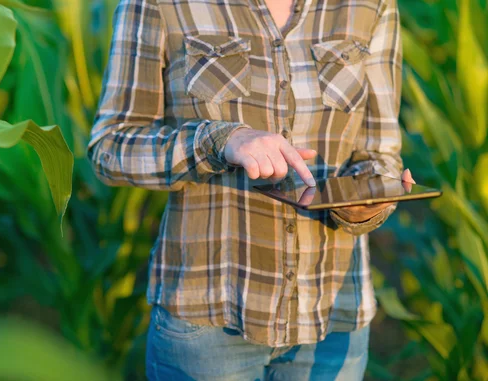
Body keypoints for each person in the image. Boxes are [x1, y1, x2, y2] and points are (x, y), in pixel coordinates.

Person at [87, 0, 414, 378]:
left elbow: (379, 153)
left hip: (333, 317)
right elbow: (111, 147)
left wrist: (369, 198)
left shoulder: (371, 6)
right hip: (209, 321)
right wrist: (221, 141)